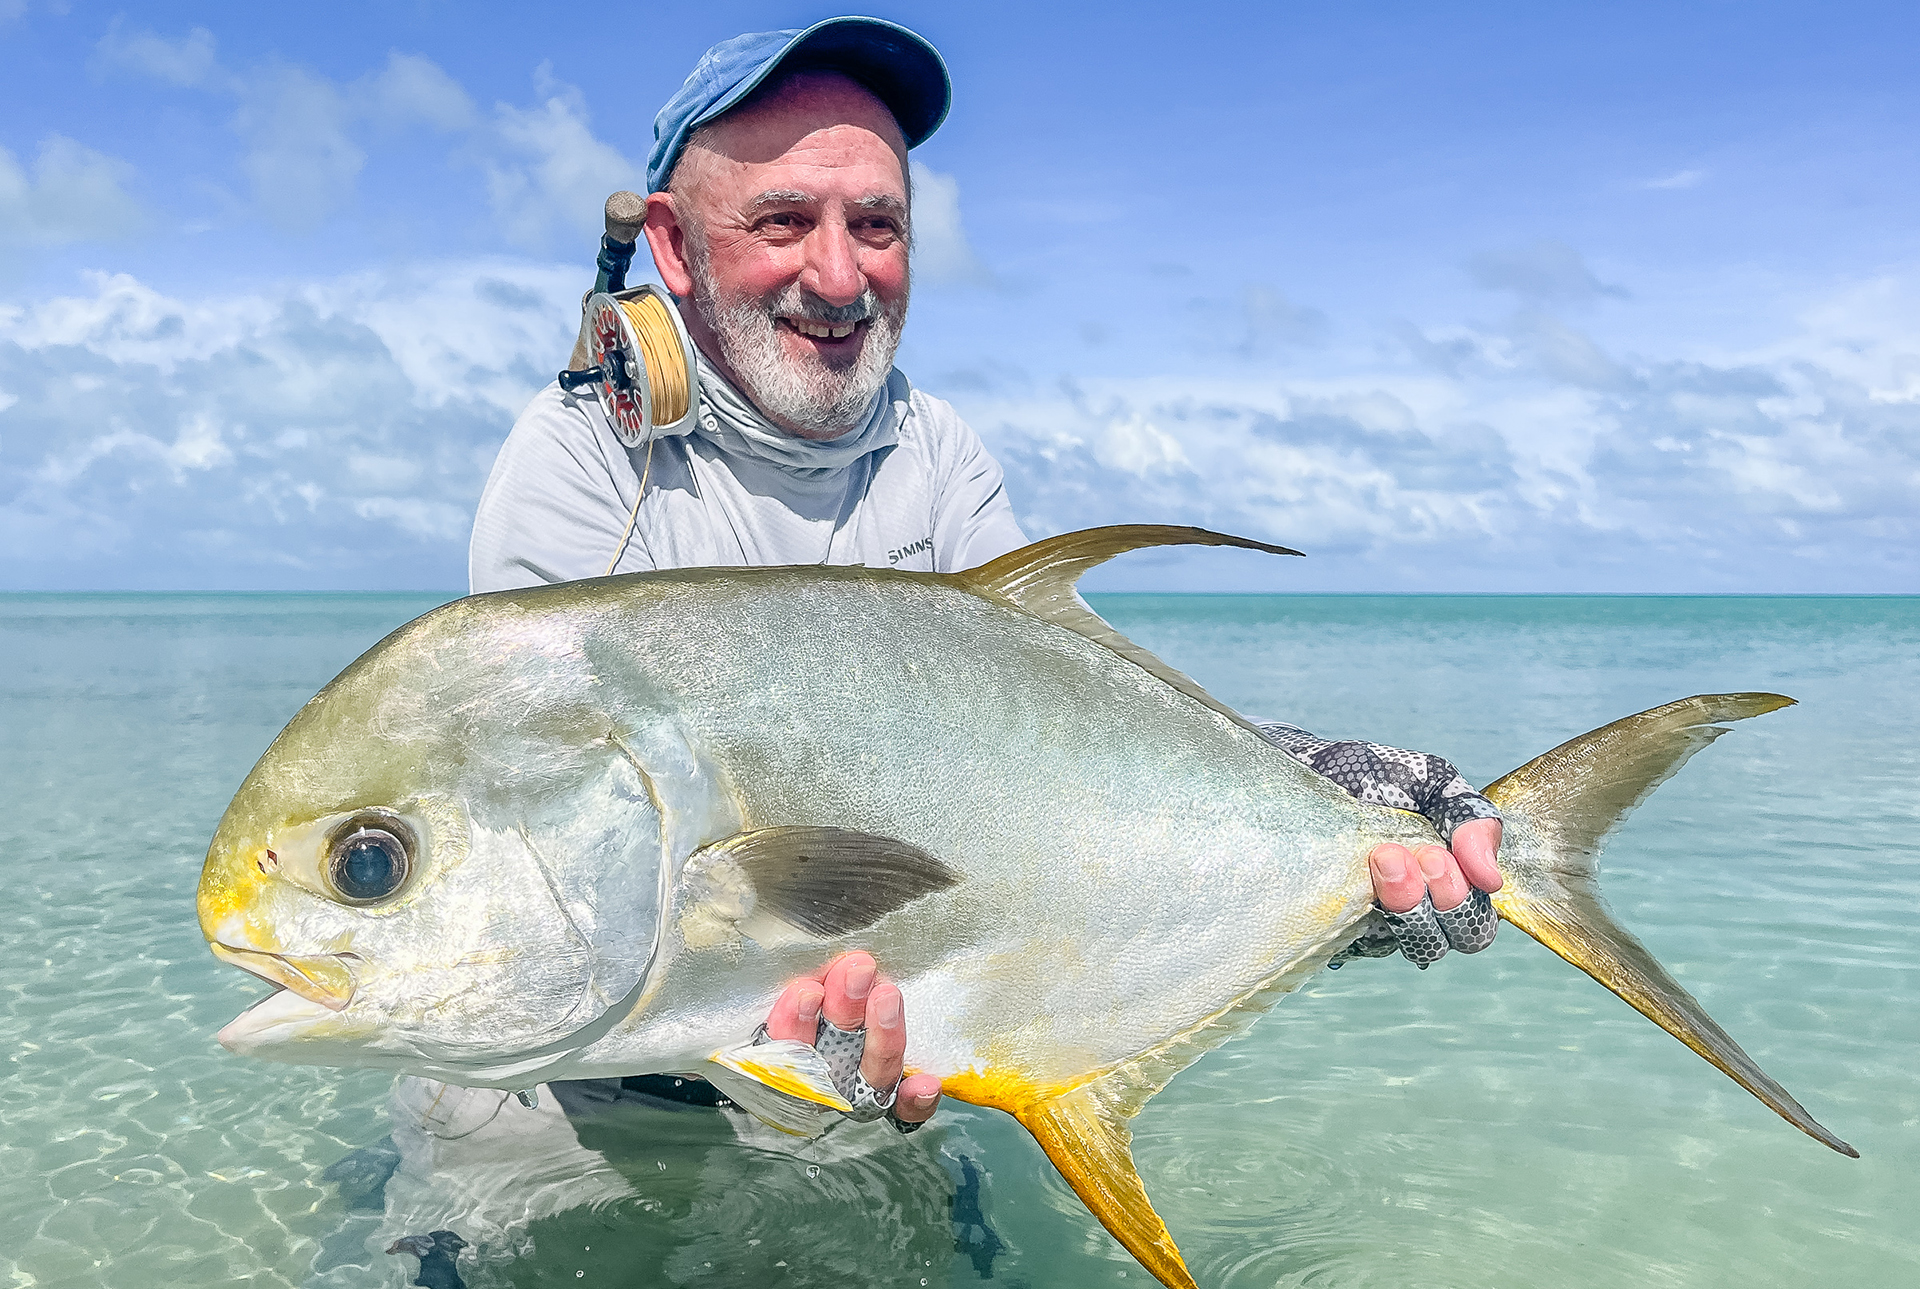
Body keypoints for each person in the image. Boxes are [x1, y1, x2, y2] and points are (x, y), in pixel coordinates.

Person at [464, 17, 1504, 1139]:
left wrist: (1329, 792)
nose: (839, 273)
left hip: (866, 1075)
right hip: (591, 1101)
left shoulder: (935, 450)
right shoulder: (579, 463)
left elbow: (1070, 731)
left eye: (876, 225)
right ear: (672, 246)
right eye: (781, 222)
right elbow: (554, 874)